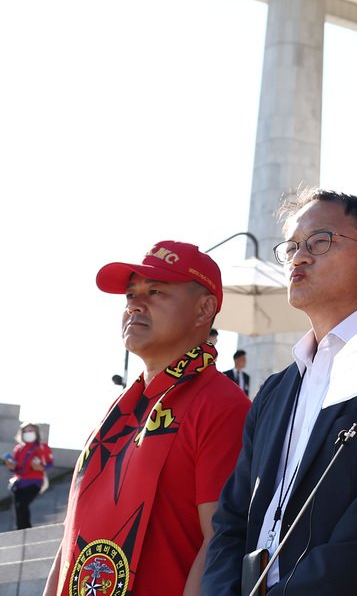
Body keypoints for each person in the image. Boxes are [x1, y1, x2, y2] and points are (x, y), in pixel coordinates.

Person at [203, 189, 357, 595]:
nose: (300, 257)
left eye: (320, 242)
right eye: (292, 246)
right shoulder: (275, 391)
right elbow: (231, 520)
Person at [45, 241, 249, 596]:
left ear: (204, 309)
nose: (135, 305)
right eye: (130, 295)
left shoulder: (222, 404)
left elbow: (220, 542)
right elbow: (71, 538)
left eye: (155, 291)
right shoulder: (120, 409)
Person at [5, 423, 53, 530]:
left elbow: (49, 464)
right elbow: (16, 467)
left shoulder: (42, 447)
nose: (28, 433)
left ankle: (26, 528)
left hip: (34, 482)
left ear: (36, 433)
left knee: (23, 504)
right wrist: (11, 466)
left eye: (31, 431)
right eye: (26, 431)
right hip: (19, 482)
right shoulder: (18, 448)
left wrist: (40, 467)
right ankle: (20, 529)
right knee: (17, 507)